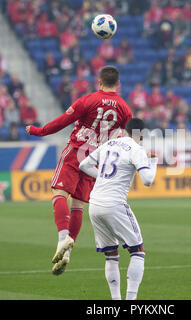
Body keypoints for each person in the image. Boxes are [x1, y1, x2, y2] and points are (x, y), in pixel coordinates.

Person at [26, 66, 132, 275]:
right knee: (78, 205)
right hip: (95, 160)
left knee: (59, 193)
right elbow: (130, 137)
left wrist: (38, 131)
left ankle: (62, 239)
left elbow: (62, 121)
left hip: (76, 152)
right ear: (117, 84)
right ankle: (67, 254)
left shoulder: (88, 100)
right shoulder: (124, 109)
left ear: (99, 82)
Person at [79, 118, 158, 300]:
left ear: (125, 130)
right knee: (138, 251)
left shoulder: (110, 143)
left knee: (111, 254)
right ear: (141, 134)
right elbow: (147, 180)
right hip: (113, 204)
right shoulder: (137, 150)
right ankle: (131, 300)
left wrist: (102, 178)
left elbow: (83, 165)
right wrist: (152, 161)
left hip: (95, 204)